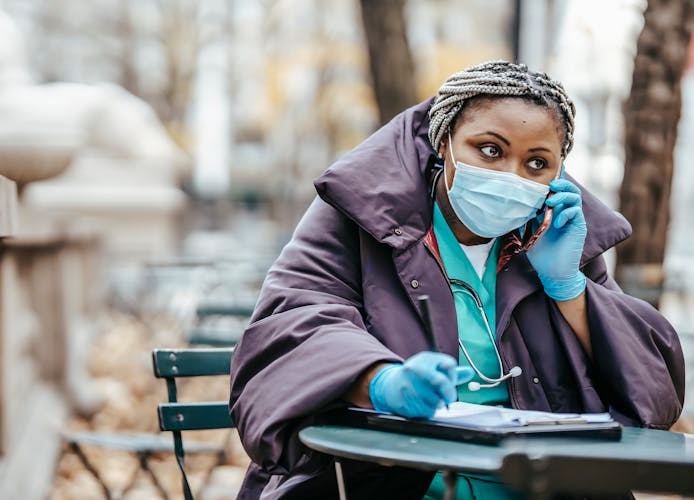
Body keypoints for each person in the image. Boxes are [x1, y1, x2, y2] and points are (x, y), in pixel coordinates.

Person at [229, 61, 685, 500]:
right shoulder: (357, 214)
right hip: (394, 484)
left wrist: (570, 288)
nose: (511, 175)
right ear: (444, 140)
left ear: (558, 175)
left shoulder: (558, 240)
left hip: (539, 485)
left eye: (536, 163)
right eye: (490, 149)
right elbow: (291, 325)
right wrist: (381, 382)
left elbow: (655, 397)